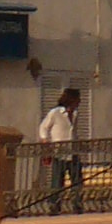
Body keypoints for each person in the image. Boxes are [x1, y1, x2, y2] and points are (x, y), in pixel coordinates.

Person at [37, 82, 84, 212]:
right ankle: (54, 205)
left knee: (77, 181)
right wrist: (46, 142)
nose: (79, 102)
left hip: (73, 152)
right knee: (57, 181)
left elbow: (73, 132)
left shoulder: (75, 114)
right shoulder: (55, 113)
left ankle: (77, 204)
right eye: (78, 99)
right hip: (59, 152)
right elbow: (43, 127)